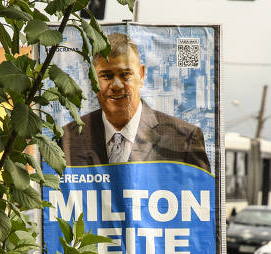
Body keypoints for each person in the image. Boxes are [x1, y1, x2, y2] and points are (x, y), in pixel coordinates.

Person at [60, 32, 210, 171]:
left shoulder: (184, 139)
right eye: (106, 76)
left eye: (125, 74)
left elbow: (202, 196)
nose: (117, 86)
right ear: (93, 79)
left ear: (142, 75)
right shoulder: (68, 139)